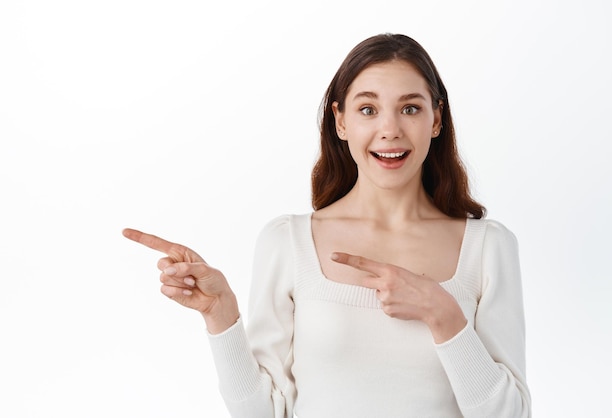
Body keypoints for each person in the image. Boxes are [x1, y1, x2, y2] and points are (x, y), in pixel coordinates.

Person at [123, 33, 531, 417]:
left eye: (410, 108)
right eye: (367, 109)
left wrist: (443, 314)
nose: (389, 130)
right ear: (340, 121)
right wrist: (220, 313)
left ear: (436, 119)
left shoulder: (487, 247)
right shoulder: (288, 242)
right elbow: (264, 412)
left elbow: (512, 413)